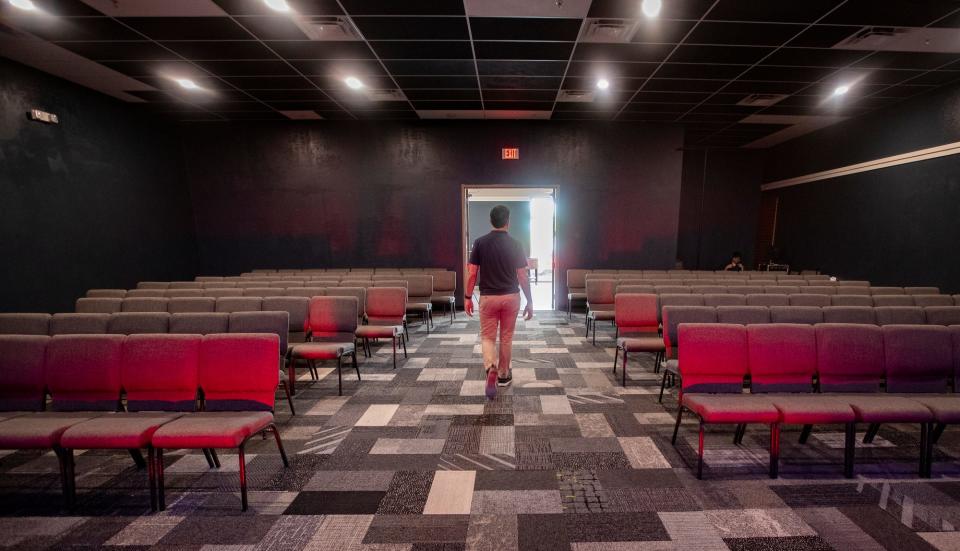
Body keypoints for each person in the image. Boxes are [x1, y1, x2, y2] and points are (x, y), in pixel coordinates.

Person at [464, 204, 534, 400]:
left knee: (487, 337)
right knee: (506, 337)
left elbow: (472, 273)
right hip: (511, 297)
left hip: (488, 298)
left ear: (490, 221)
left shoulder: (479, 243)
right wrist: (530, 301)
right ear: (508, 222)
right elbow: (522, 276)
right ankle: (503, 375)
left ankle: (490, 368)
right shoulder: (516, 244)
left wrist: (468, 297)